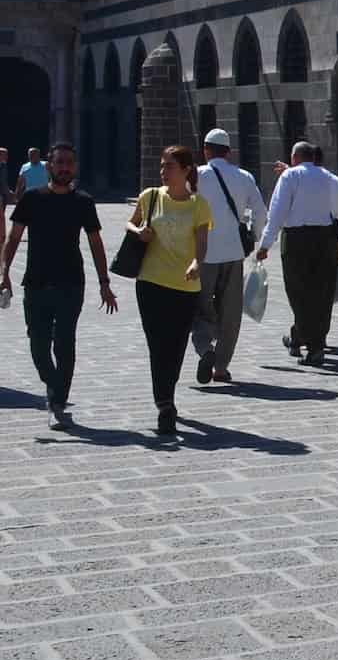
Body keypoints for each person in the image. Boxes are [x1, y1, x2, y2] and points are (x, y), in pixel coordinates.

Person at [1, 142, 117, 429]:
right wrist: (4, 273)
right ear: (49, 165)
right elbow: (14, 238)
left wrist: (104, 282)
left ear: (75, 167)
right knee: (38, 345)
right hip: (36, 282)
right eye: (59, 162)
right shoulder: (31, 199)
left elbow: (96, 242)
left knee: (65, 343)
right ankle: (55, 387)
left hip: (71, 283)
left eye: (69, 163)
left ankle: (56, 401)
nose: (64, 167)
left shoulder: (83, 201)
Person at [124, 145, 211, 435]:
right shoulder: (150, 197)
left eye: (169, 166)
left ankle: (166, 393)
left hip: (185, 286)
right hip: (150, 283)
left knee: (175, 347)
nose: (163, 171)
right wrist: (139, 232)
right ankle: (165, 404)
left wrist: (197, 263)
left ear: (186, 170)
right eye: (162, 166)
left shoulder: (198, 204)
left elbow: (201, 245)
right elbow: (130, 223)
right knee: (157, 345)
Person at [255, 140, 338, 366]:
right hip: (326, 240)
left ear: (294, 158)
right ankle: (305, 339)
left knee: (298, 292)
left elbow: (276, 214)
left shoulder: (290, 177)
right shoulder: (333, 180)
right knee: (322, 293)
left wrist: (264, 245)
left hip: (297, 240)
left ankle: (308, 341)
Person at [194, 128, 264, 385]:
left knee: (200, 309)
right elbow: (260, 212)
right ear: (229, 152)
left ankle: (205, 350)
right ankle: (221, 367)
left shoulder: (197, 175)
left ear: (205, 150)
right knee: (230, 312)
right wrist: (257, 241)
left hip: (202, 254)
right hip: (234, 254)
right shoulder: (244, 177)